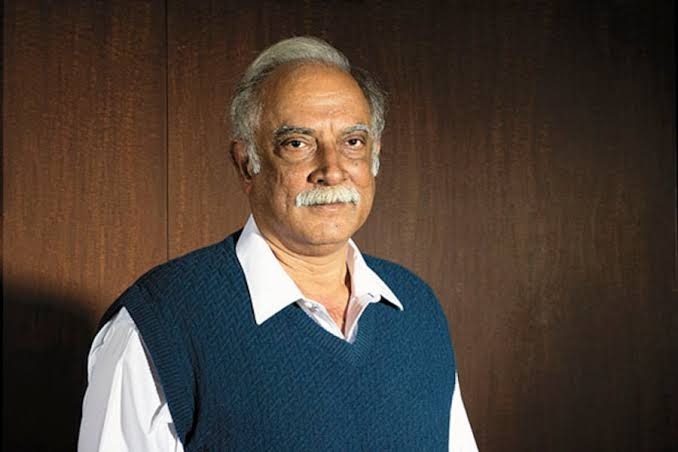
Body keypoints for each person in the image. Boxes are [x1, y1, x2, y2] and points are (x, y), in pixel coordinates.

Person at [78, 36, 478, 451]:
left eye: (352, 142)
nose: (332, 170)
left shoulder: (418, 311)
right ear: (246, 164)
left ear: (374, 158)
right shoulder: (161, 323)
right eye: (297, 143)